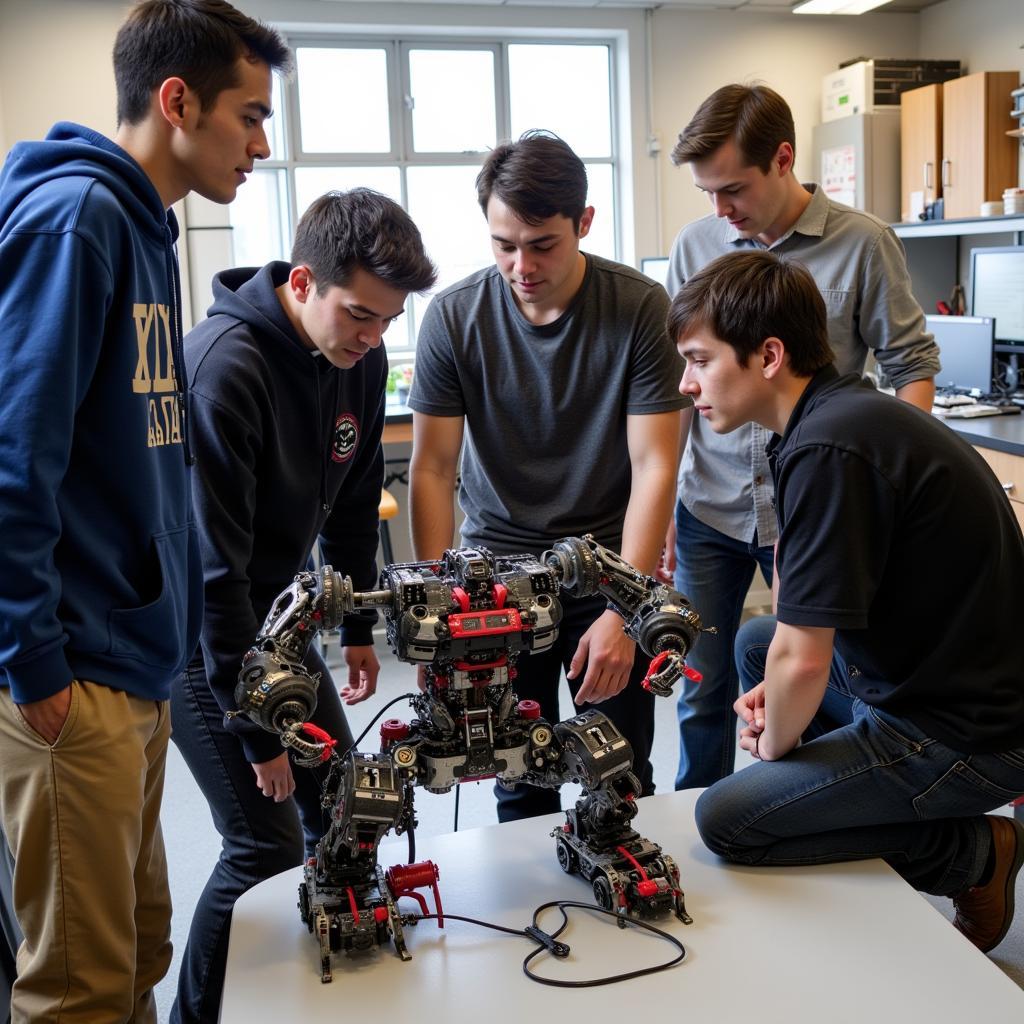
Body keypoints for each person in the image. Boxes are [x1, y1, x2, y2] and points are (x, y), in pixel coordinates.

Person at [0, 2, 290, 1021]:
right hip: (71, 671)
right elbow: (10, 457)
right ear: (178, 102)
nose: (261, 144)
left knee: (133, 957)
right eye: (248, 116)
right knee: (76, 986)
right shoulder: (76, 220)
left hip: (133, 664)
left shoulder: (141, 224)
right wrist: (32, 660)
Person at [668, 248, 1024, 954]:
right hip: (935, 681)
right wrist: (784, 717)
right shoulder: (838, 417)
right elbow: (790, 646)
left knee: (729, 821)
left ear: (768, 355)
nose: (686, 384)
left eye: (701, 360)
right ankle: (827, 796)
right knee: (751, 642)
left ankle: (974, 854)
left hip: (970, 733)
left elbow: (802, 663)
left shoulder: (830, 448)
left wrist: (771, 747)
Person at [172, 188, 435, 1023]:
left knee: (345, 802)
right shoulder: (226, 368)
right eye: (360, 314)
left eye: (389, 321)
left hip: (277, 633)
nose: (373, 338)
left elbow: (357, 506)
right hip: (199, 644)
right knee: (262, 844)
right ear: (300, 282)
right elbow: (217, 575)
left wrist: (359, 628)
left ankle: (320, 990)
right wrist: (256, 728)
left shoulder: (353, 366)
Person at [661, 83, 941, 792]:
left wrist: (895, 496)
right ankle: (707, 819)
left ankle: (821, 809)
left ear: (783, 159)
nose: (718, 211)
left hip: (817, 509)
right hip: (711, 506)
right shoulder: (696, 245)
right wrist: (665, 507)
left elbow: (911, 368)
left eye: (732, 189)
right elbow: (684, 380)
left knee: (830, 671)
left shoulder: (862, 243)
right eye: (707, 193)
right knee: (703, 683)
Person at [408, 130, 685, 822]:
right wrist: (432, 614)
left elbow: (656, 465)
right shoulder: (453, 317)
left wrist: (628, 608)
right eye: (504, 244)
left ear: (584, 223)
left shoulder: (640, 308)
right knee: (514, 772)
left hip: (604, 572)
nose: (520, 265)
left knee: (619, 772)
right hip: (496, 575)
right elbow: (434, 469)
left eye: (542, 245)